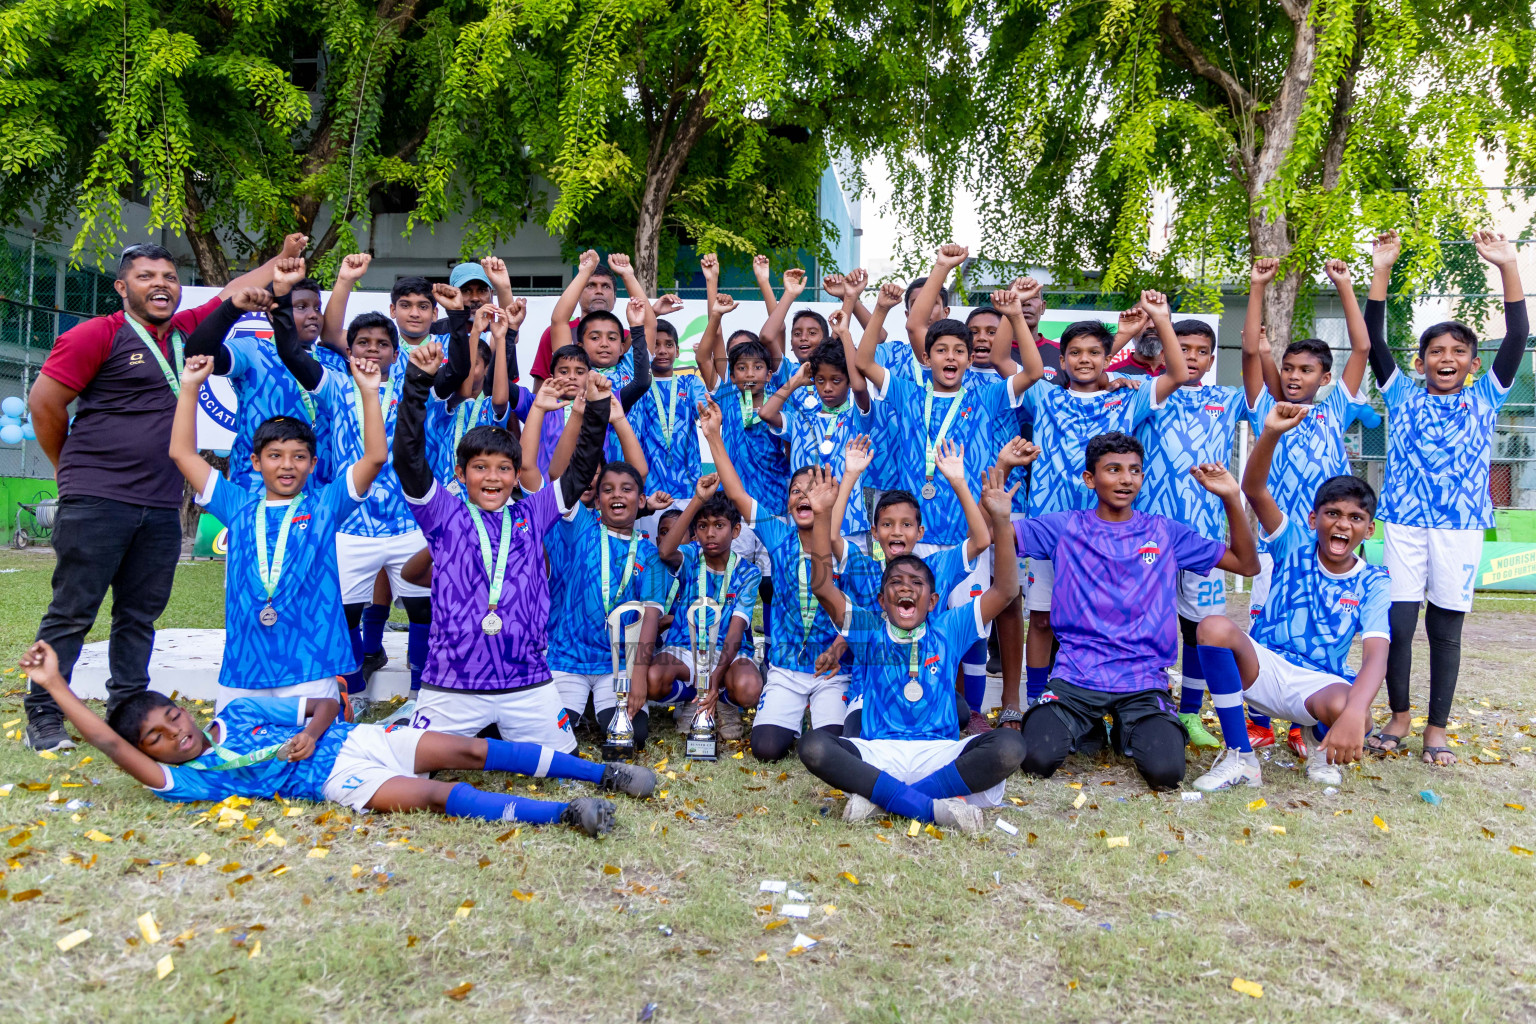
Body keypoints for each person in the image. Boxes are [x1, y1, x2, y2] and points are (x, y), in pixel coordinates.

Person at [24, 235, 302, 752]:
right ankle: (43, 714)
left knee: (139, 614)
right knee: (74, 610)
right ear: (122, 287)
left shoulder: (185, 333)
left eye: (169, 278)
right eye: (146, 277)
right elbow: (44, 404)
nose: (161, 286)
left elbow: (236, 290)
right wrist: (71, 470)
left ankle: (127, 708)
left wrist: (278, 258)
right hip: (97, 498)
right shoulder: (95, 336)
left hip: (158, 502)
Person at [391, 345, 654, 799]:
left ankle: (502, 738)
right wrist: (416, 384)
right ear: (461, 473)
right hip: (453, 682)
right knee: (403, 767)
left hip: (526, 680)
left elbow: (576, 471)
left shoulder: (534, 514)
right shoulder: (443, 513)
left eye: (503, 469)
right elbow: (408, 460)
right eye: (480, 468)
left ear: (516, 476)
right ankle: (419, 724)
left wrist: (593, 408)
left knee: (564, 767)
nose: (492, 478)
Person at [17, 641, 624, 836]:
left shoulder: (243, 710)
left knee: (472, 748)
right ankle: (566, 815)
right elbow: (109, 743)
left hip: (359, 738)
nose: (172, 736)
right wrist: (55, 685)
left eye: (170, 719)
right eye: (155, 739)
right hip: (336, 778)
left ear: (181, 709)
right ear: (147, 754)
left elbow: (326, 701)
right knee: (438, 794)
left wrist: (310, 730)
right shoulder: (186, 779)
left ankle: (605, 774)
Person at [1364, 229, 1527, 765]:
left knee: (1445, 630)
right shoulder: (1403, 393)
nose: (1447, 357)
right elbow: (1373, 336)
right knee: (1400, 627)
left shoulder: (1486, 395)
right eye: (1436, 351)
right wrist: (1381, 268)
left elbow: (1517, 336)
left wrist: (1507, 265)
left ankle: (1436, 727)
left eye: (1458, 351)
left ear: (1473, 364)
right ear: (1421, 362)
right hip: (1405, 524)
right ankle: (1400, 717)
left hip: (1459, 528)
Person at [1015, 432, 1259, 791]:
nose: (1126, 479)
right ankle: (1091, 725)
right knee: (1037, 759)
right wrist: (1003, 480)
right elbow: (996, 535)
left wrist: (1230, 499)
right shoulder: (1065, 526)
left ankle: (1127, 729)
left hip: (1142, 679)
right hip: (1077, 675)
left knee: (1167, 772)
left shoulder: (1163, 532)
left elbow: (1246, 564)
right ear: (1089, 479)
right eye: (1113, 469)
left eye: (1134, 470)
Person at [796, 465, 1027, 833]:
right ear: (881, 600)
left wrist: (1001, 521)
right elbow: (824, 589)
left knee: (1010, 747)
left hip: (938, 753)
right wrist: (823, 516)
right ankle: (935, 808)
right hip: (878, 753)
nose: (906, 588)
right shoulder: (868, 629)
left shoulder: (949, 628)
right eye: (896, 583)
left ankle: (883, 800)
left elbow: (1005, 592)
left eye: (916, 583)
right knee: (814, 746)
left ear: (933, 599)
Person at [170, 337, 385, 710]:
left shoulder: (325, 505)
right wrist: (190, 387)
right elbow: (181, 452)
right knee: (234, 757)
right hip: (245, 665)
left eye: (299, 456)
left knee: (313, 756)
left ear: (313, 464)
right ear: (255, 462)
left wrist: (368, 393)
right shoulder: (235, 504)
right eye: (275, 456)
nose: (287, 465)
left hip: (310, 662)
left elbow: (375, 457)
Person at [1188, 402, 1391, 791]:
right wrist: (1271, 433)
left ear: (1369, 529)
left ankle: (1317, 743)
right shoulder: (1293, 543)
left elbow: (1376, 657)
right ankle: (1240, 757)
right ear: (1314, 520)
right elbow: (1253, 489)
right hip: (1262, 666)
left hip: (1316, 684)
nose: (1342, 524)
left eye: (1355, 518)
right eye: (1332, 514)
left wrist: (1355, 713)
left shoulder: (1375, 582)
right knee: (1213, 626)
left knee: (1357, 716)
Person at [1011, 292, 1188, 716]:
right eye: (1075, 353)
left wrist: (1161, 318)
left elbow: (1178, 373)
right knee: (1040, 619)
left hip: (1108, 535)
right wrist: (1015, 314)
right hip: (1050, 528)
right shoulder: (1044, 396)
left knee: (1103, 619)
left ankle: (1109, 698)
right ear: (1063, 359)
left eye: (1094, 352)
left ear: (1109, 357)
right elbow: (1004, 358)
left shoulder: (1129, 397)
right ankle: (1037, 700)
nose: (1084, 359)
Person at [1237, 256, 1374, 755]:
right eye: (1289, 368)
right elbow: (1251, 350)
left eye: (1306, 370)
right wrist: (1257, 287)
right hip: (1278, 543)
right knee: (1264, 626)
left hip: (1326, 547)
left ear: (1324, 376)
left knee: (1318, 632)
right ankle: (1256, 719)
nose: (1294, 377)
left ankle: (1302, 720)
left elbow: (1362, 345)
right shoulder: (1265, 409)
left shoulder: (1336, 406)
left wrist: (1344, 284)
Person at [701, 400, 852, 762]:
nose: (804, 495)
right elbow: (737, 493)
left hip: (830, 668)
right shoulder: (778, 534)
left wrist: (840, 647)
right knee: (766, 749)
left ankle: (821, 714)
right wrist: (713, 437)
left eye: (813, 489)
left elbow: (862, 612)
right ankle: (789, 712)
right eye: (796, 490)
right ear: (786, 503)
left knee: (830, 749)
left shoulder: (844, 548)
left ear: (827, 498)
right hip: (786, 668)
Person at [1132, 313, 1246, 749]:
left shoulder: (1225, 398)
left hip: (1204, 538)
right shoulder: (1146, 395)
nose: (1192, 358)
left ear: (1213, 358)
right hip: (1150, 536)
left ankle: (1190, 715)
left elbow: (1255, 379)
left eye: (1201, 352)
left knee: (1199, 629)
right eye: (1182, 350)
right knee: (1146, 624)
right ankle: (1146, 704)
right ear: (1164, 353)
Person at [182, 257, 342, 492]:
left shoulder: (335, 360)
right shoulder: (253, 350)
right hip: (256, 490)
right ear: (271, 315)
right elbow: (200, 352)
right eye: (301, 307)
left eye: (317, 307)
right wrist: (232, 307)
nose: (313, 315)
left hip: (321, 493)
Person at [650, 477, 765, 741]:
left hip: (728, 652)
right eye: (702, 526)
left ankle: (723, 701)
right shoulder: (691, 556)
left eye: (719, 525)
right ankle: (693, 699)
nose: (710, 533)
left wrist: (715, 677)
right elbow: (666, 551)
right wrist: (698, 500)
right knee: (652, 678)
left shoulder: (748, 573)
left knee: (749, 689)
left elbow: (736, 632)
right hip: (686, 648)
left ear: (735, 531)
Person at [757, 330, 873, 551]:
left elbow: (860, 387)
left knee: (847, 585)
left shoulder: (859, 418)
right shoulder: (801, 419)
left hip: (849, 524)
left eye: (836, 380)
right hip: (805, 524)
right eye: (820, 381)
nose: (827, 387)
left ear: (848, 380)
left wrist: (846, 336)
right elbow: (766, 413)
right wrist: (796, 381)